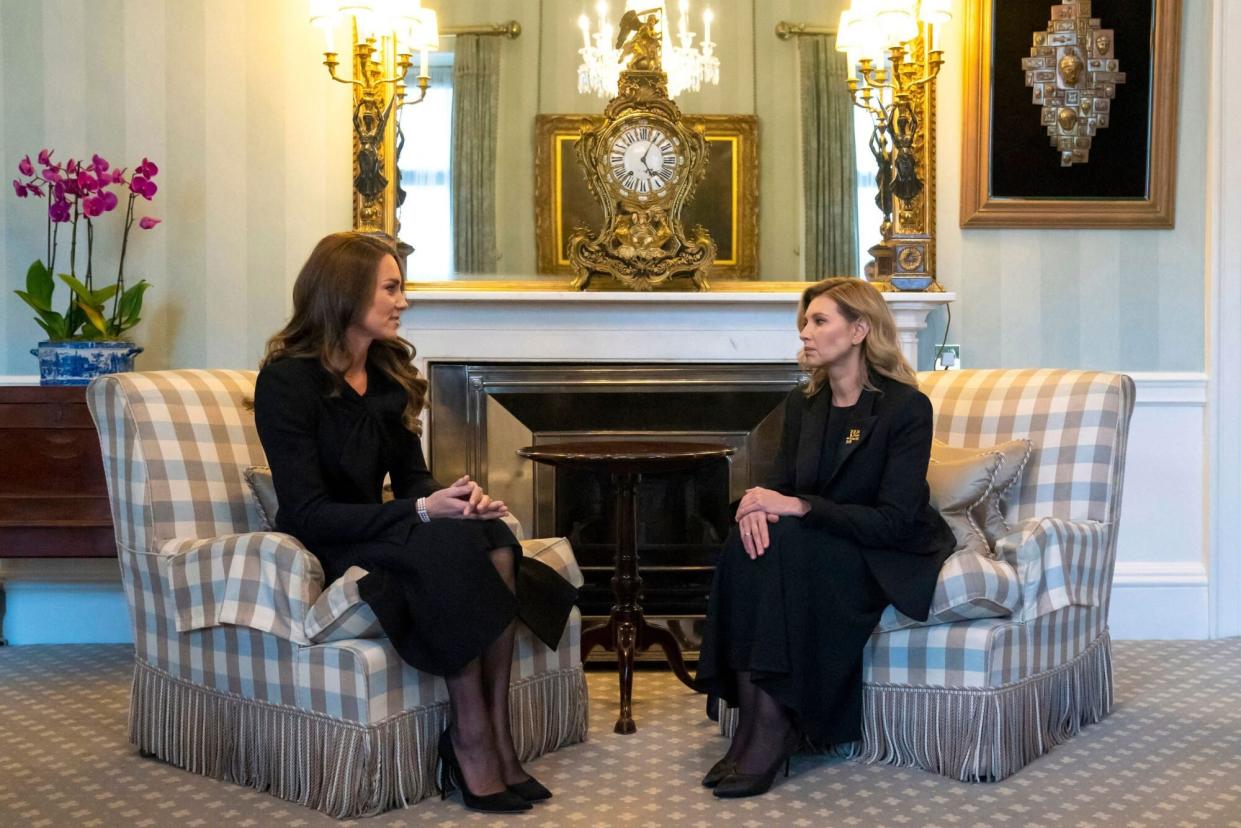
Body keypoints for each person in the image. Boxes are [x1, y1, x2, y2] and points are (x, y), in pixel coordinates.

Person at [253, 231, 576, 814]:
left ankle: (498, 733)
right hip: (336, 538)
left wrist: (454, 497)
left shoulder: (387, 374)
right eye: (392, 288)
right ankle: (470, 738)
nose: (402, 301)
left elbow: (412, 480)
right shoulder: (286, 382)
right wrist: (423, 511)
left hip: (388, 528)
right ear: (347, 293)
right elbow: (305, 512)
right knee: (447, 552)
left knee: (493, 535)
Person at [694, 277, 955, 798]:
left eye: (819, 321)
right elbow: (785, 491)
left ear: (859, 330)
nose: (805, 334)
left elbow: (894, 519)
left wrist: (797, 507)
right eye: (804, 323)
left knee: (784, 540)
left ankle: (773, 727)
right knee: (749, 541)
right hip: (821, 540)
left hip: (886, 550)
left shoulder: (906, 408)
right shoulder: (805, 404)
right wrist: (753, 506)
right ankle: (750, 726)